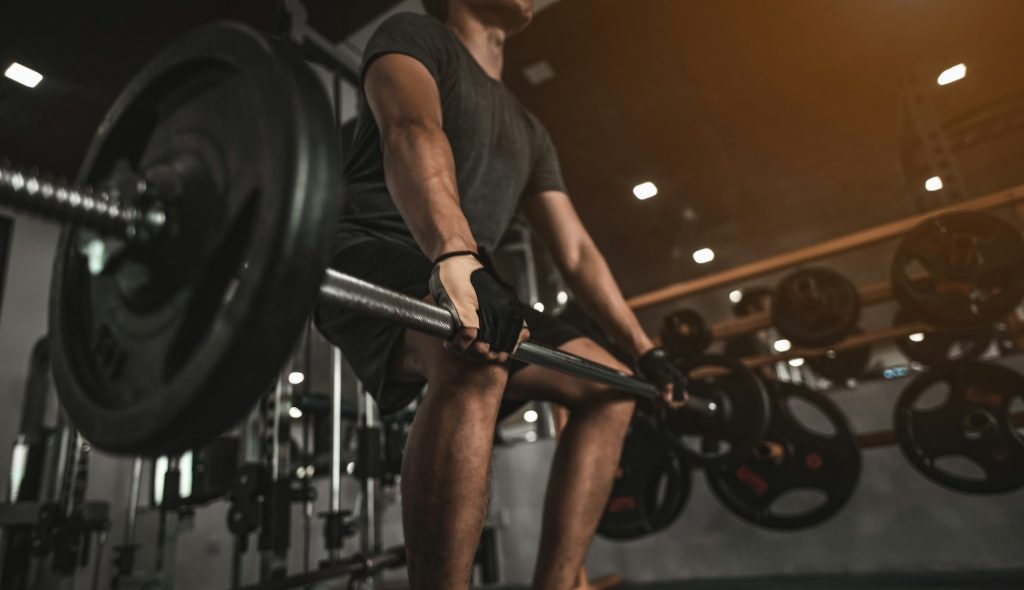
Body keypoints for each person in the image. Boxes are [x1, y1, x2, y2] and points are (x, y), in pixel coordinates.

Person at [316, 1, 686, 588]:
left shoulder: (530, 129)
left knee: (612, 389)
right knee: (477, 352)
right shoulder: (415, 35)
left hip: (465, 269)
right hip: (368, 253)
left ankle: (561, 584)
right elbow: (412, 128)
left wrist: (644, 350)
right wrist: (456, 255)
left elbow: (576, 253)